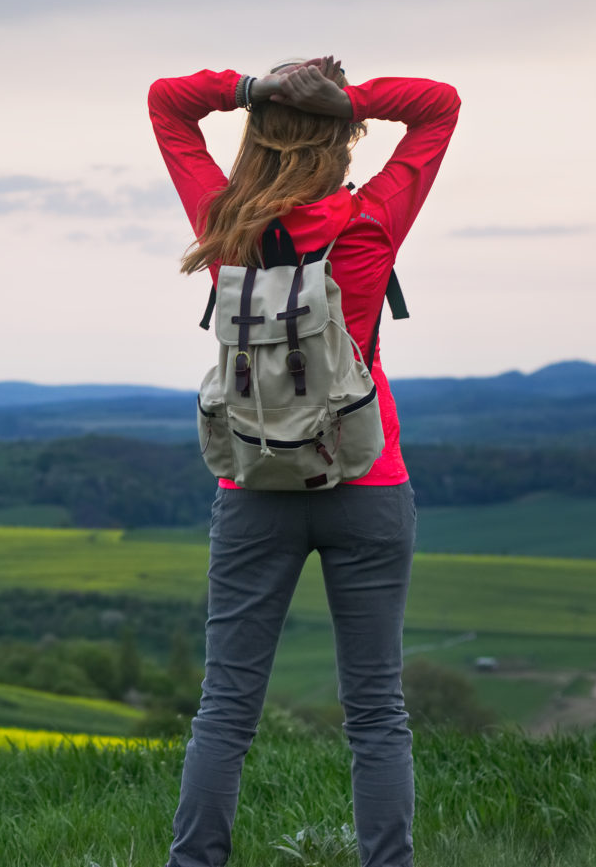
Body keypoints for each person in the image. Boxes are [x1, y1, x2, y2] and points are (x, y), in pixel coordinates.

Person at [146, 56, 461, 867]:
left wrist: (250, 88)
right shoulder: (369, 222)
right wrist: (350, 99)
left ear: (258, 132)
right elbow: (439, 106)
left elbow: (167, 103)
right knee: (377, 712)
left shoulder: (224, 222)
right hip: (368, 480)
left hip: (252, 484)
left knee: (225, 709)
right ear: (341, 140)